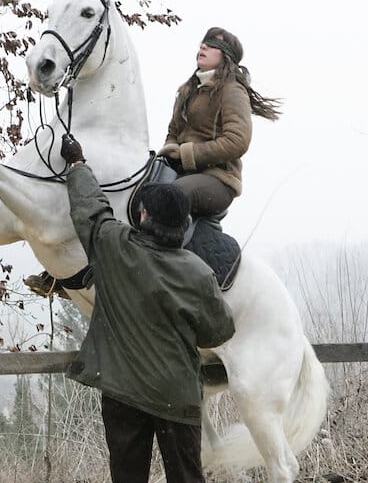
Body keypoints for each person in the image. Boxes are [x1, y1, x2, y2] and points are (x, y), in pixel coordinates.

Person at [60, 136, 236, 483]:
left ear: (143, 216)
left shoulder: (114, 246)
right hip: (176, 396)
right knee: (187, 477)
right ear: (183, 224)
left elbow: (90, 209)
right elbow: (219, 331)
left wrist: (77, 164)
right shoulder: (198, 272)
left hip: (123, 394)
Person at [158, 27, 282, 217]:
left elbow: (237, 141)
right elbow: (173, 132)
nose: (204, 46)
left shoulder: (232, 89)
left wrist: (186, 154)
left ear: (226, 55)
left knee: (172, 195)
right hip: (181, 173)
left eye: (213, 44)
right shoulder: (186, 90)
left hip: (219, 179)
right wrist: (170, 150)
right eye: (203, 43)